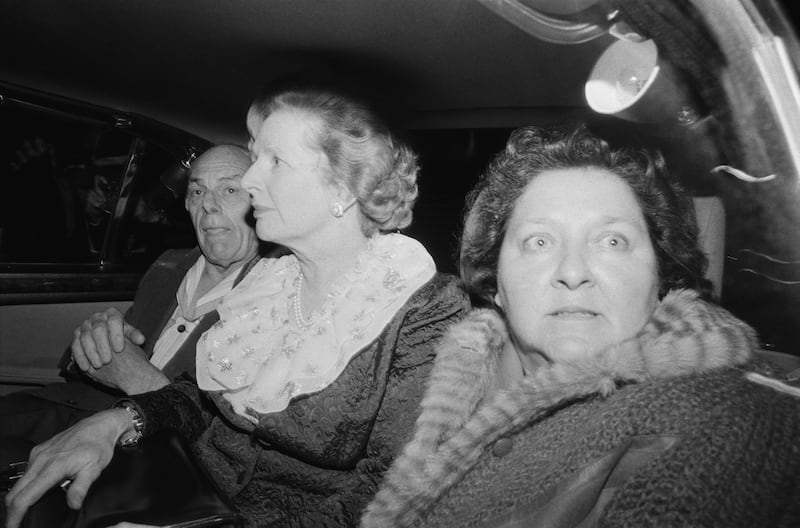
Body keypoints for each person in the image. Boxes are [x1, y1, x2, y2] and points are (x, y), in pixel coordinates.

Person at [4, 87, 470, 528]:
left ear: (343, 188)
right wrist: (117, 420)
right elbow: (204, 397)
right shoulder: (270, 283)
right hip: (186, 487)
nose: (250, 179)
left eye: (275, 161)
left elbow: (392, 491)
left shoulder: (424, 309)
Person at [362, 126, 800, 527]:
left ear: (660, 279)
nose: (572, 272)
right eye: (539, 242)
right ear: (497, 283)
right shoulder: (452, 379)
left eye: (612, 242)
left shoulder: (725, 424)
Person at [0, 144, 265, 445]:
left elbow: (235, 447)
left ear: (262, 202)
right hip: (70, 410)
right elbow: (93, 366)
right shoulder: (168, 265)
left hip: (154, 455)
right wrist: (91, 344)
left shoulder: (275, 298)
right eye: (197, 192)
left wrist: (138, 380)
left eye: (230, 190)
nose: (209, 205)